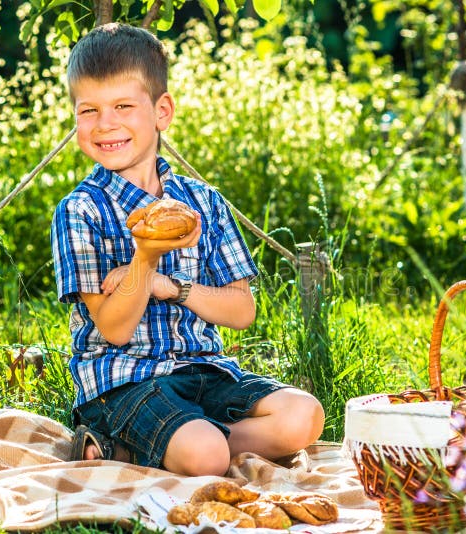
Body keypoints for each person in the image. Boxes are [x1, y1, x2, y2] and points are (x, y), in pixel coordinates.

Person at [50, 23, 325, 477]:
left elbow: (241, 311)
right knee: (206, 455)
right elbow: (115, 330)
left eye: (123, 106)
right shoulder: (80, 211)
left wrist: (169, 286)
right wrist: (146, 256)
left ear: (162, 111)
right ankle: (127, 439)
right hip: (124, 384)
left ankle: (138, 450)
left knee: (304, 416)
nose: (105, 124)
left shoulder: (204, 202)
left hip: (205, 374)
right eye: (88, 110)